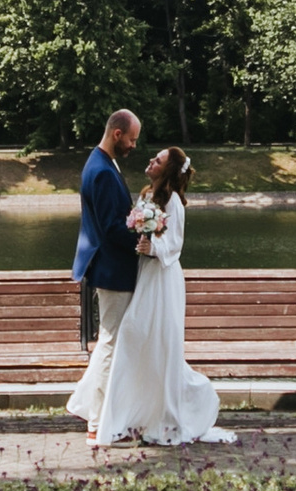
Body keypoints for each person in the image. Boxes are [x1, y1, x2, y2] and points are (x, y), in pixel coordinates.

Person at [94, 148, 237, 448]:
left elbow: (175, 246)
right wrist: (139, 237)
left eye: (157, 161)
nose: (150, 162)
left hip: (163, 280)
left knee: (158, 343)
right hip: (144, 276)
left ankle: (173, 410)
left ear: (168, 170)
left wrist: (152, 249)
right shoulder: (146, 195)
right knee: (135, 338)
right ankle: (130, 415)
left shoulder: (174, 202)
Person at [65, 109, 141, 434]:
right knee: (109, 343)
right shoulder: (103, 172)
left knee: (109, 342)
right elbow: (112, 228)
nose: (134, 146)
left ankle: (99, 413)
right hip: (113, 271)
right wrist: (145, 239)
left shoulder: (100, 164)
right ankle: (96, 422)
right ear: (117, 134)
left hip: (109, 268)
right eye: (133, 140)